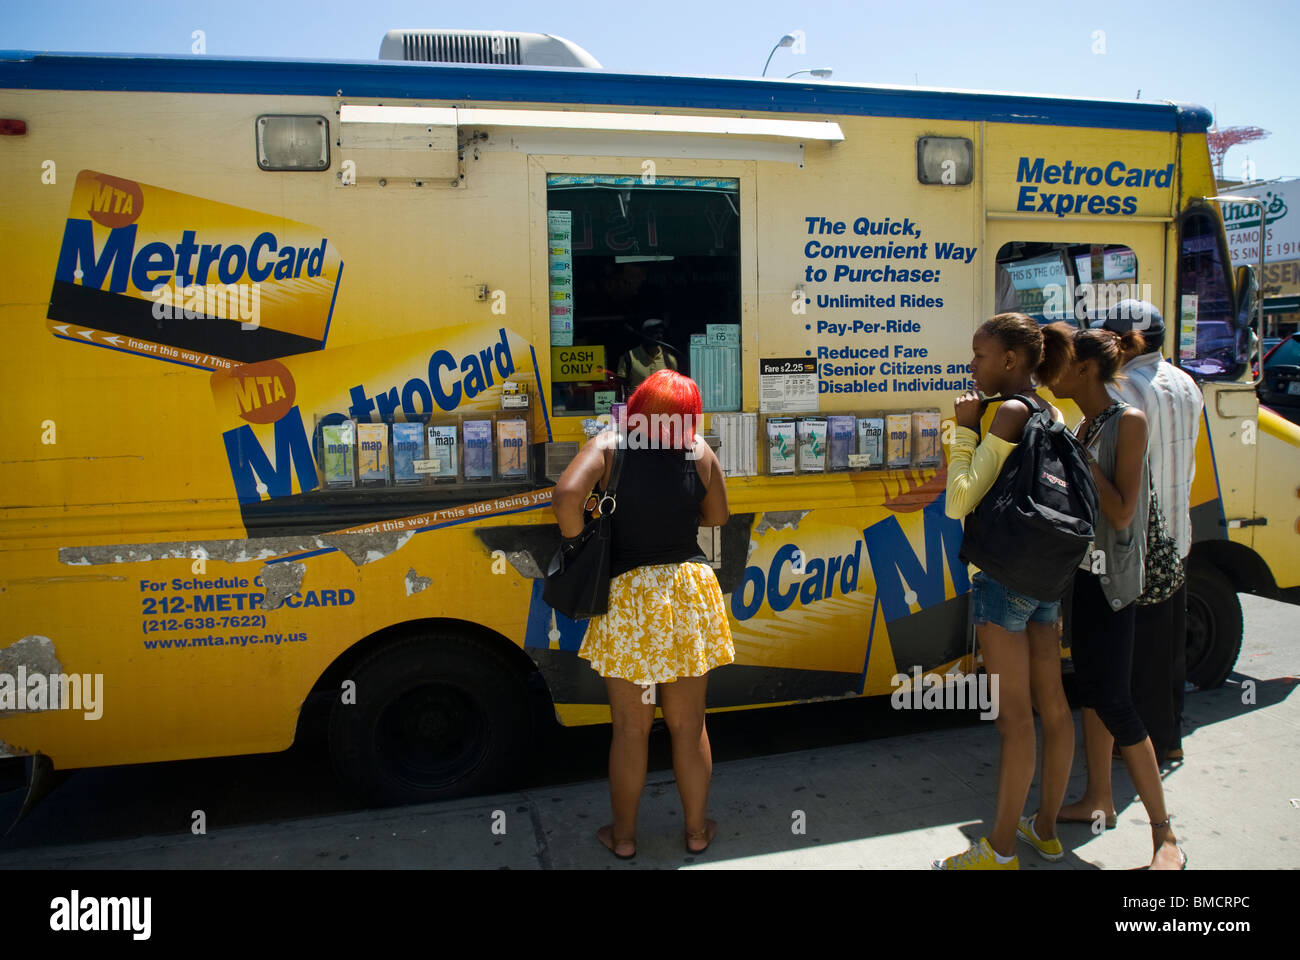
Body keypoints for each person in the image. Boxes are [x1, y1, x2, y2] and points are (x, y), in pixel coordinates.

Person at [550, 369, 733, 859]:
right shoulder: (698, 452)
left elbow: (568, 497)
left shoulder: (610, 445)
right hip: (688, 588)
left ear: (637, 406)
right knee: (689, 725)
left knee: (631, 729)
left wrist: (578, 539)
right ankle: (696, 832)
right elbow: (717, 517)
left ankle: (625, 839)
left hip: (630, 594)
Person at [933, 312, 1075, 870]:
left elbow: (959, 500)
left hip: (1003, 579)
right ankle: (1044, 829)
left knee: (1014, 719)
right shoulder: (1051, 408)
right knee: (1054, 705)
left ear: (1011, 361)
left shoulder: (1008, 412)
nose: (973, 365)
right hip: (1046, 576)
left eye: (980, 355)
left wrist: (965, 428)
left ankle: (1000, 850)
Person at [1049, 325, 1187, 870]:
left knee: (1116, 701)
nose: (1049, 374)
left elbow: (1124, 509)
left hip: (1113, 582)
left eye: (1057, 363)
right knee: (1090, 690)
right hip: (1084, 575)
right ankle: (1098, 797)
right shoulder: (1086, 423)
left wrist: (1073, 456)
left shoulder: (1126, 420)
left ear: (1084, 368)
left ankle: (1165, 837)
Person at [1092, 300, 1202, 763]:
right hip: (1178, 530)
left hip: (1140, 540)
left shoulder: (1127, 392)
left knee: (1133, 651)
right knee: (1167, 644)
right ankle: (1169, 737)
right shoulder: (1184, 381)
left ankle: (1138, 746)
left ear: (1123, 343)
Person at [616, 318, 678, 396]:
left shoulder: (670, 360)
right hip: (637, 407)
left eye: (661, 333)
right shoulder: (628, 358)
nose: (659, 336)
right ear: (645, 334)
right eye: (655, 332)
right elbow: (620, 387)